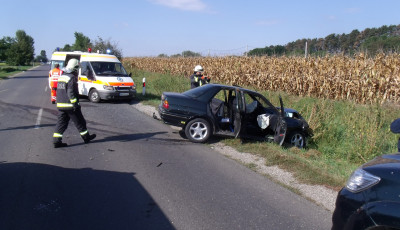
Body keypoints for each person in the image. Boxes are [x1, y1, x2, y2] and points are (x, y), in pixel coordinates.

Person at [52, 58, 96, 148]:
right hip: (70, 105)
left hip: (60, 105)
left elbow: (60, 90)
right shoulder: (71, 78)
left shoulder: (62, 76)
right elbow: (70, 92)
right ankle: (86, 137)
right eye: (77, 69)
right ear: (75, 68)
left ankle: (56, 141)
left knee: (61, 124)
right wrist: (75, 104)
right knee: (80, 122)